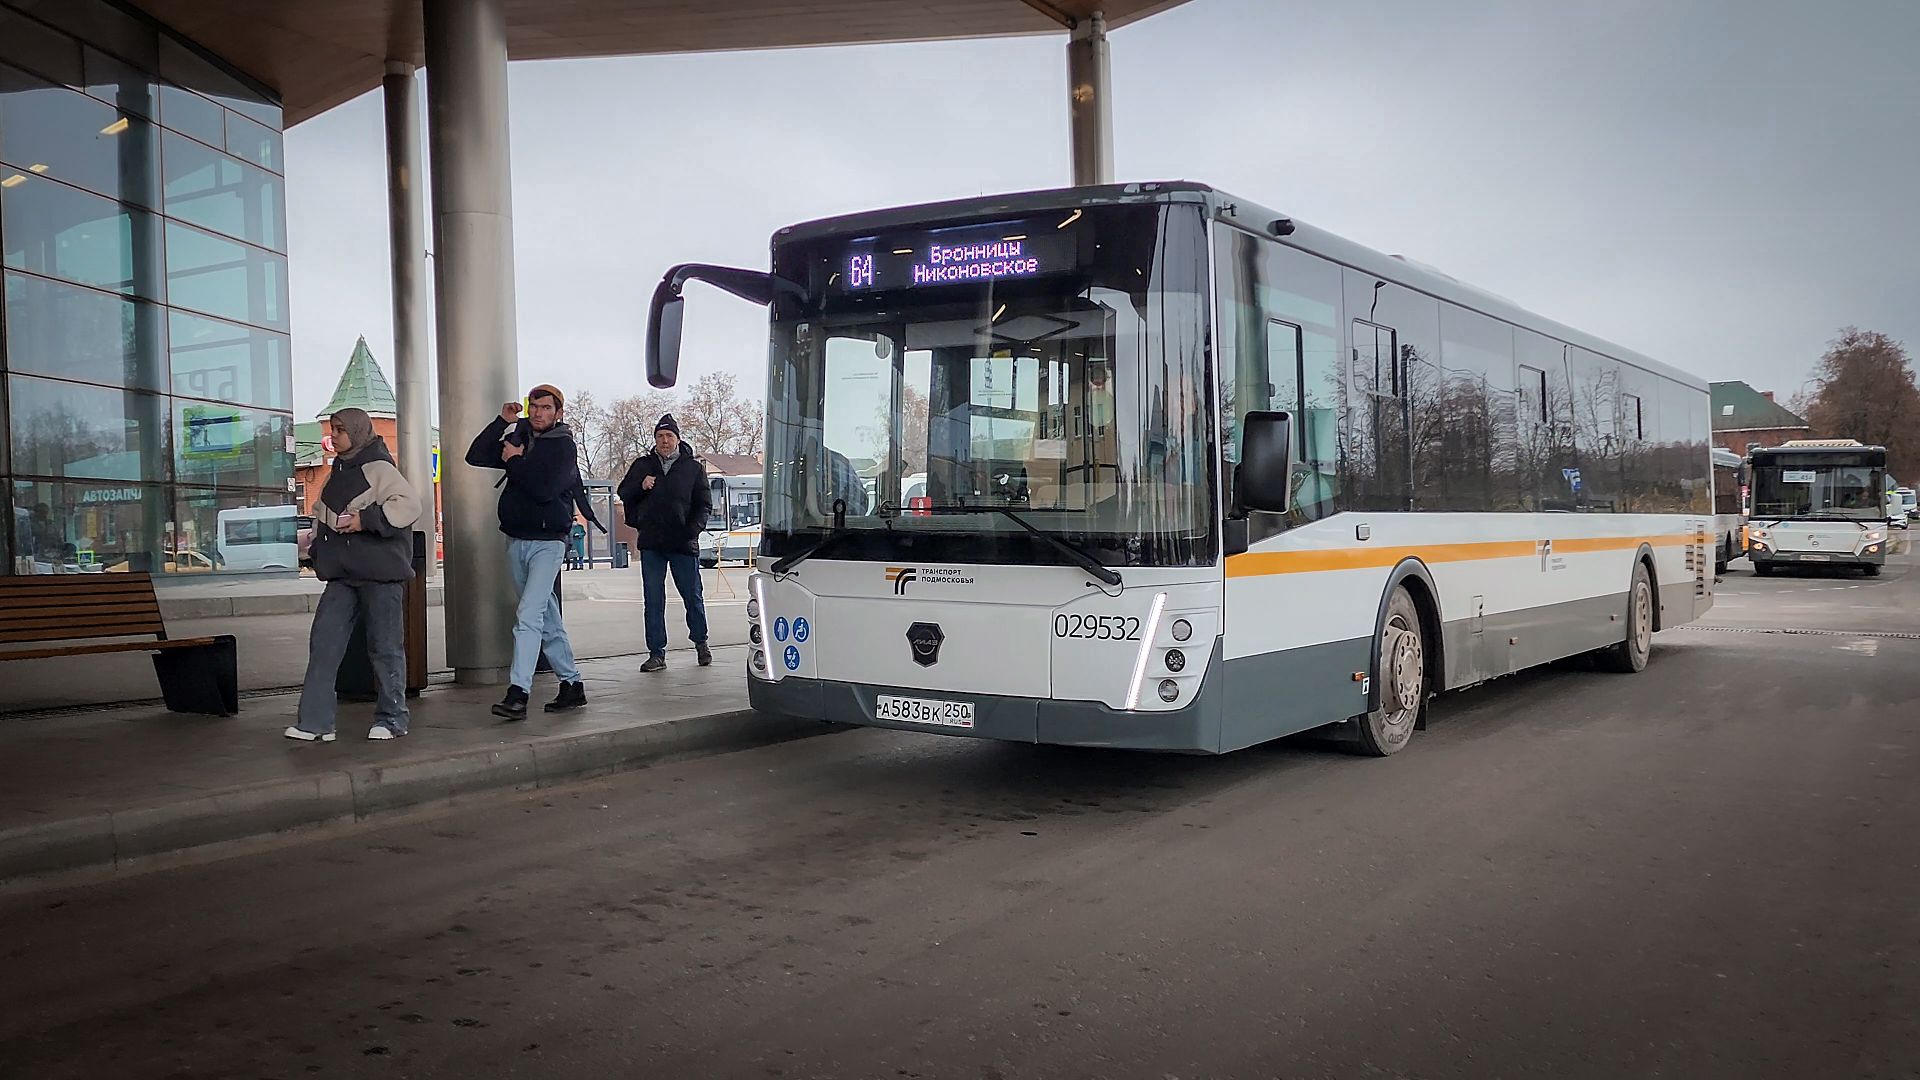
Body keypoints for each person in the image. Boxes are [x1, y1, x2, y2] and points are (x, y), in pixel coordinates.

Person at [285, 408, 423, 743]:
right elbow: (324, 514)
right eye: (333, 429)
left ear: (359, 431)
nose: (335, 436)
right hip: (344, 575)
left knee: (385, 647)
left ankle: (392, 718)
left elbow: (409, 505)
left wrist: (364, 521)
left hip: (379, 575)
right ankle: (316, 722)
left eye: (341, 429)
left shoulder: (378, 467)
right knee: (325, 643)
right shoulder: (339, 470)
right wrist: (315, 544)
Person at [465, 384, 587, 719]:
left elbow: (545, 490)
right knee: (546, 616)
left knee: (528, 616)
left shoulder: (562, 446)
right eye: (533, 406)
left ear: (558, 412)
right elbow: (475, 455)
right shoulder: (519, 437)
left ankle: (518, 692)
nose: (537, 412)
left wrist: (515, 462)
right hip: (516, 540)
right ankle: (572, 684)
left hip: (548, 543)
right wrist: (499, 423)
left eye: (546, 407)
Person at [616, 414, 712, 671]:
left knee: (692, 596)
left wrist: (692, 531)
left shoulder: (693, 468)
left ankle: (701, 642)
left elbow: (704, 504)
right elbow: (624, 492)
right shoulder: (643, 465)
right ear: (655, 440)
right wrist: (641, 484)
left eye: (669, 436)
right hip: (652, 542)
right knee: (653, 599)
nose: (665, 441)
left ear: (678, 439)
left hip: (683, 542)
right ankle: (656, 653)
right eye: (660, 436)